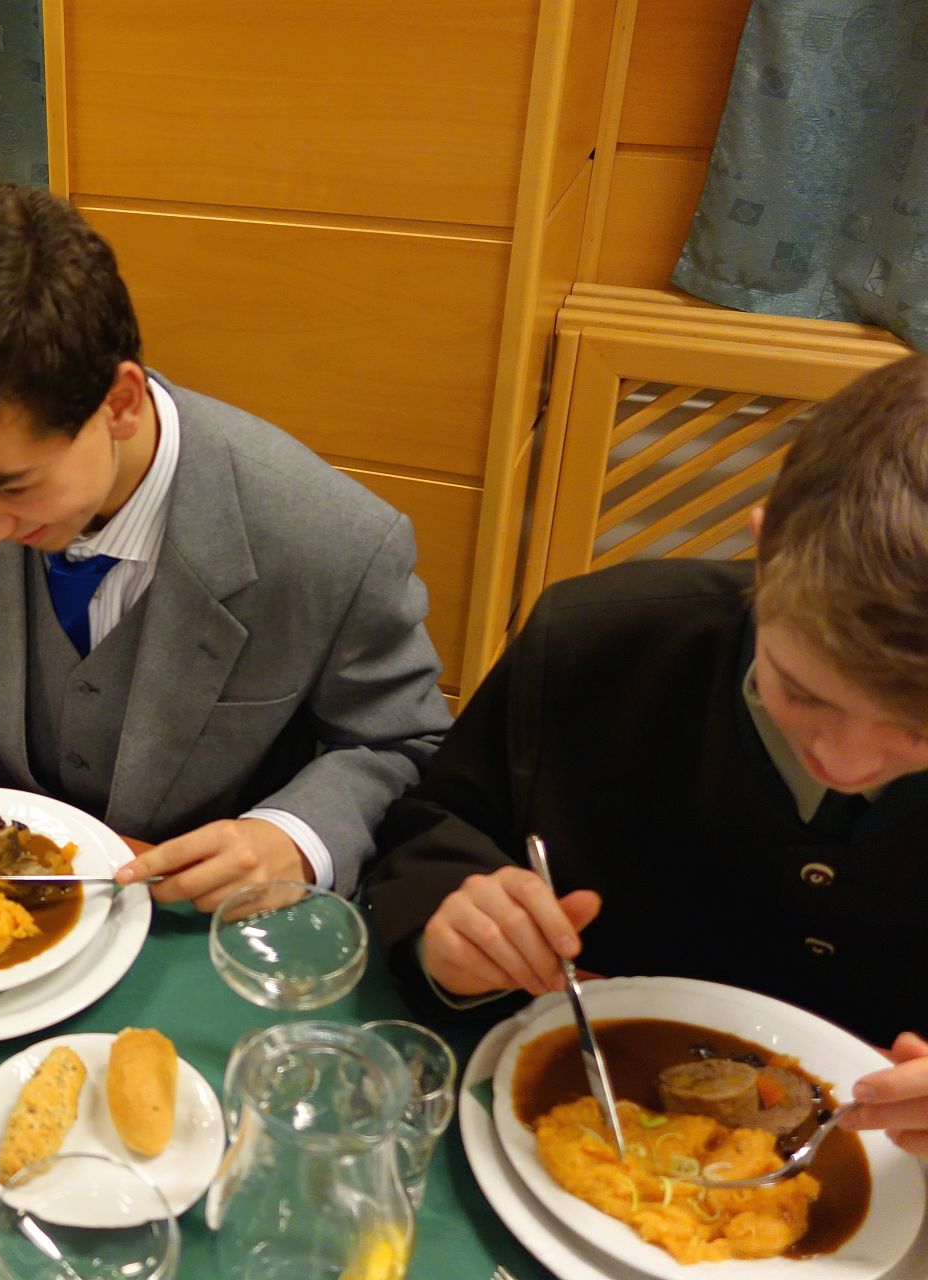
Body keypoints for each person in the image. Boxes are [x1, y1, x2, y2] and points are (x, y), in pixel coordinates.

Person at [0, 185, 452, 906]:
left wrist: (294, 838)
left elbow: (403, 743)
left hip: (203, 917)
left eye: (14, 488)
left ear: (119, 403)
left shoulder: (327, 541)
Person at [363, 353, 928, 1158]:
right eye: (806, 693)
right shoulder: (595, 645)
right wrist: (448, 930)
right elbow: (438, 829)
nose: (847, 762)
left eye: (917, 731)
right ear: (766, 551)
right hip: (553, 1133)